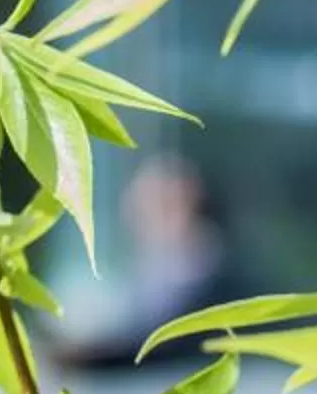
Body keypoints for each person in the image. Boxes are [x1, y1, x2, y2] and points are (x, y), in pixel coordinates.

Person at [50, 153, 247, 369]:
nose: (139, 225)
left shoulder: (201, 272)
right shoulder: (158, 267)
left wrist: (87, 358)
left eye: (151, 210)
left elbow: (164, 343)